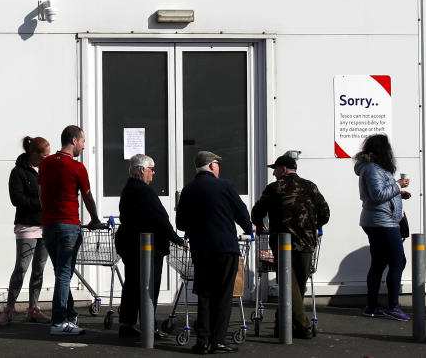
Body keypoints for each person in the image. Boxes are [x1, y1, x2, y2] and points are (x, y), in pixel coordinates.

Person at [175, 151, 253, 354]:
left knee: (205, 295)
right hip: (225, 249)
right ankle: (218, 340)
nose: (219, 168)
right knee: (224, 295)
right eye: (217, 164)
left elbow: (181, 223)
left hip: (202, 250)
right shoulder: (225, 186)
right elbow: (241, 212)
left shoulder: (188, 190)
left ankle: (202, 342)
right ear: (211, 166)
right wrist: (249, 228)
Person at [251, 154, 330, 337]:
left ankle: (299, 325)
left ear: (283, 169)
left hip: (282, 243)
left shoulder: (274, 188)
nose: (274, 174)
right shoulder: (311, 186)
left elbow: (257, 212)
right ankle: (288, 324)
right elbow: (325, 214)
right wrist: (311, 225)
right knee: (297, 285)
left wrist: (259, 222)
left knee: (290, 285)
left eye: (275, 170)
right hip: (307, 242)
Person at [38, 124, 103, 337]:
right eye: (83, 141)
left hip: (49, 226)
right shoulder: (77, 168)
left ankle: (69, 312)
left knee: (60, 273)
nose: (83, 146)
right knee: (64, 274)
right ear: (74, 141)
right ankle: (59, 321)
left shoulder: (46, 164)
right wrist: (94, 219)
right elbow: (87, 196)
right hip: (68, 226)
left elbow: (41, 194)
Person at [116, 154, 183, 341]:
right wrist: (176, 238)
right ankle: (149, 327)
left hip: (131, 245)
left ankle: (127, 324)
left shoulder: (128, 189)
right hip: (146, 248)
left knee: (132, 285)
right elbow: (160, 217)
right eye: (152, 169)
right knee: (149, 286)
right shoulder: (143, 191)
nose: (154, 173)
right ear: (142, 170)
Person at [354, 134, 411, 322]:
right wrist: (397, 184)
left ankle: (371, 306)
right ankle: (393, 306)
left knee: (379, 263)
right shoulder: (371, 169)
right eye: (387, 148)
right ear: (380, 150)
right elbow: (378, 195)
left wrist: (398, 194)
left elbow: (380, 195)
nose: (390, 152)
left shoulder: (375, 168)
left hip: (380, 220)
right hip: (382, 222)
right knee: (398, 261)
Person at [0, 135, 51, 326]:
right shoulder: (18, 172)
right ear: (34, 154)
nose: (47, 158)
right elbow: (17, 199)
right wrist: (42, 204)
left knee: (39, 268)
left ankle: (33, 309)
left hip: (46, 225)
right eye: (44, 155)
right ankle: (9, 309)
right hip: (27, 225)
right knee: (22, 267)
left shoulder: (47, 169)